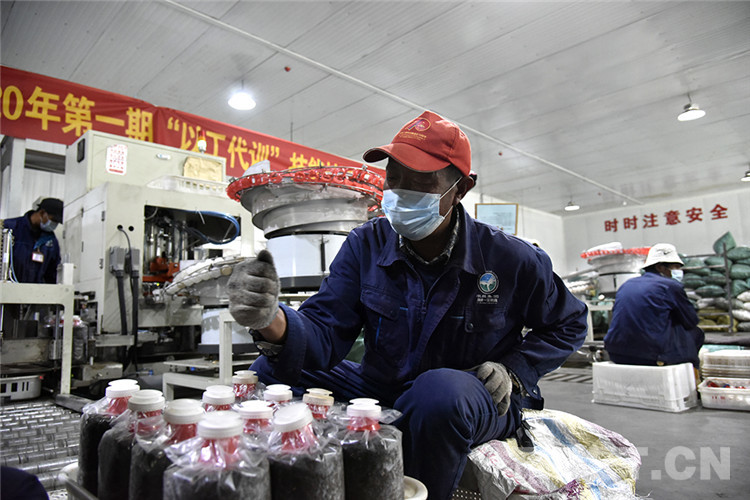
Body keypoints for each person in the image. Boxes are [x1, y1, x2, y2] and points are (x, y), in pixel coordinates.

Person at [227, 110, 588, 499]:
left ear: (461, 189)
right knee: (270, 369)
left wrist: (514, 369)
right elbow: (326, 329)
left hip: (469, 394)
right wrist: (272, 320)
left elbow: (569, 323)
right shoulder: (365, 245)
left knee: (438, 393)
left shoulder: (510, 258)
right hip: (383, 384)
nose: (401, 193)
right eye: (395, 179)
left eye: (421, 182)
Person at [604, 243, 704, 367]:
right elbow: (691, 321)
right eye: (675, 267)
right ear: (660, 267)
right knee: (696, 333)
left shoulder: (627, 284)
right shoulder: (670, 286)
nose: (678, 272)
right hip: (650, 356)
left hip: (615, 352)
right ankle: (690, 372)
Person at [2, 198, 63, 284]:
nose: (54, 224)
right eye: (53, 220)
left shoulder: (51, 241)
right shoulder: (10, 227)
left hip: (35, 291)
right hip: (7, 288)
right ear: (42, 213)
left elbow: (52, 274)